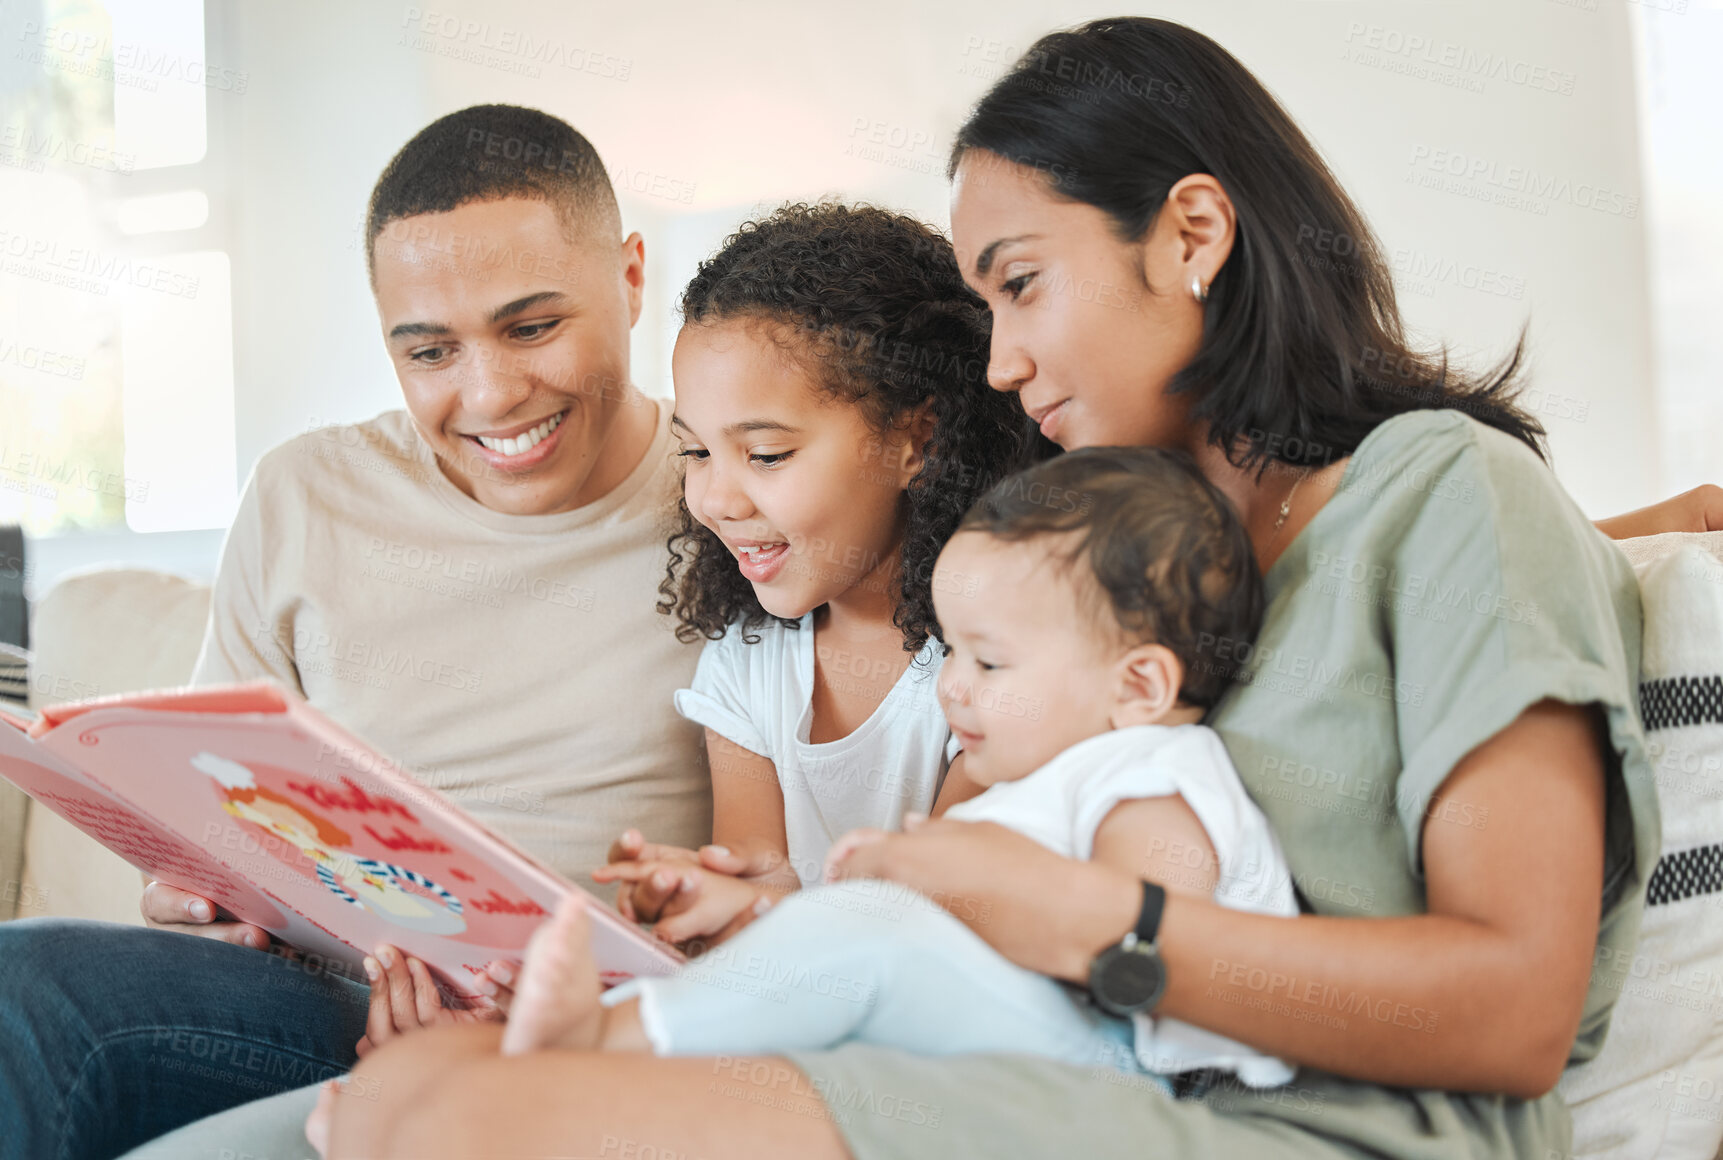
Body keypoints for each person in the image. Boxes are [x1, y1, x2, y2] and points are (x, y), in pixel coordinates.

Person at [326, 19, 1697, 1160]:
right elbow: (945, 883)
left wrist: (1105, 925)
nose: (997, 363)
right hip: (1085, 1075)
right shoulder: (1119, 570)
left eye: (1022, 286)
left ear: (1192, 236)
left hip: (1317, 1130)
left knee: (477, 1121)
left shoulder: (1446, 497)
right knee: (406, 1093)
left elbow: (1513, 1008)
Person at [0, 104, 713, 1160]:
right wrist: (198, 886)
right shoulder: (304, 494)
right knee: (25, 983)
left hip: (587, 1025)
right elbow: (210, 803)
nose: (490, 393)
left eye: (531, 327)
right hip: (319, 999)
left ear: (632, 277)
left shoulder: (738, 500)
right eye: (430, 350)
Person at [494, 447, 1302, 1096]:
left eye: (988, 661)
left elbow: (1141, 949)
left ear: (1138, 686)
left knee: (871, 942)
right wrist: (754, 906)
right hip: (1031, 1047)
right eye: (954, 649)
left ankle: (610, 1040)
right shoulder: (1048, 774)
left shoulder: (1154, 777)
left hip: (1113, 1072)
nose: (953, 682)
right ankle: (625, 1027)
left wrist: (938, 891)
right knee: (852, 937)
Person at [587, 201, 1033, 948]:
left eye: (765, 456)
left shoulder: (993, 668)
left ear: (915, 441)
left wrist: (767, 916)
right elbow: (759, 894)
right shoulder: (747, 662)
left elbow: (936, 931)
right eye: (695, 453)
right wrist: (704, 912)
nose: (715, 500)